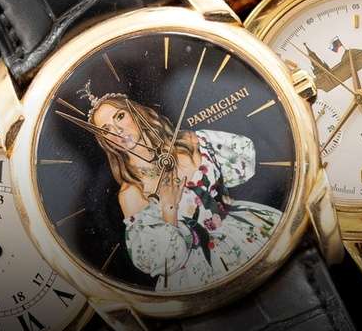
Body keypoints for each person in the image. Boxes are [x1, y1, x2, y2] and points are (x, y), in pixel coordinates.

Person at [80, 84, 282, 291]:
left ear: (135, 112)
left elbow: (243, 162)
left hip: (244, 233)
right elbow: (161, 260)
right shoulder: (131, 193)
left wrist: (221, 196)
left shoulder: (189, 141)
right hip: (196, 272)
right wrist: (169, 208)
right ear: (105, 141)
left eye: (120, 116)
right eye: (106, 130)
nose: (117, 130)